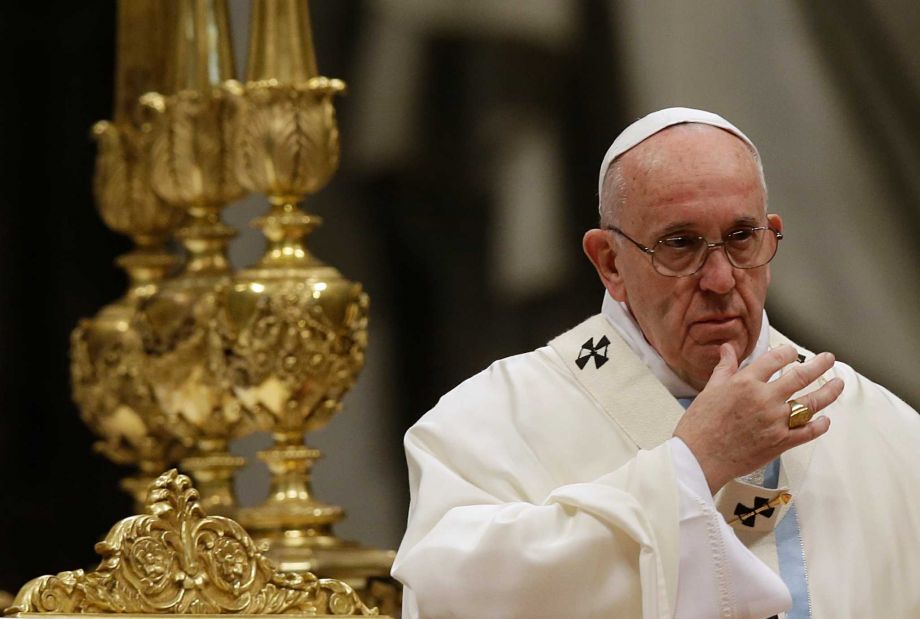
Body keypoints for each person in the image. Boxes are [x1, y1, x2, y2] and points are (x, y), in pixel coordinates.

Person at [391, 108, 920, 618]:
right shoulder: (489, 423)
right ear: (609, 262)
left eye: (741, 238)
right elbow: (455, 595)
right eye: (680, 244)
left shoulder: (882, 427)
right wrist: (692, 465)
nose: (719, 279)